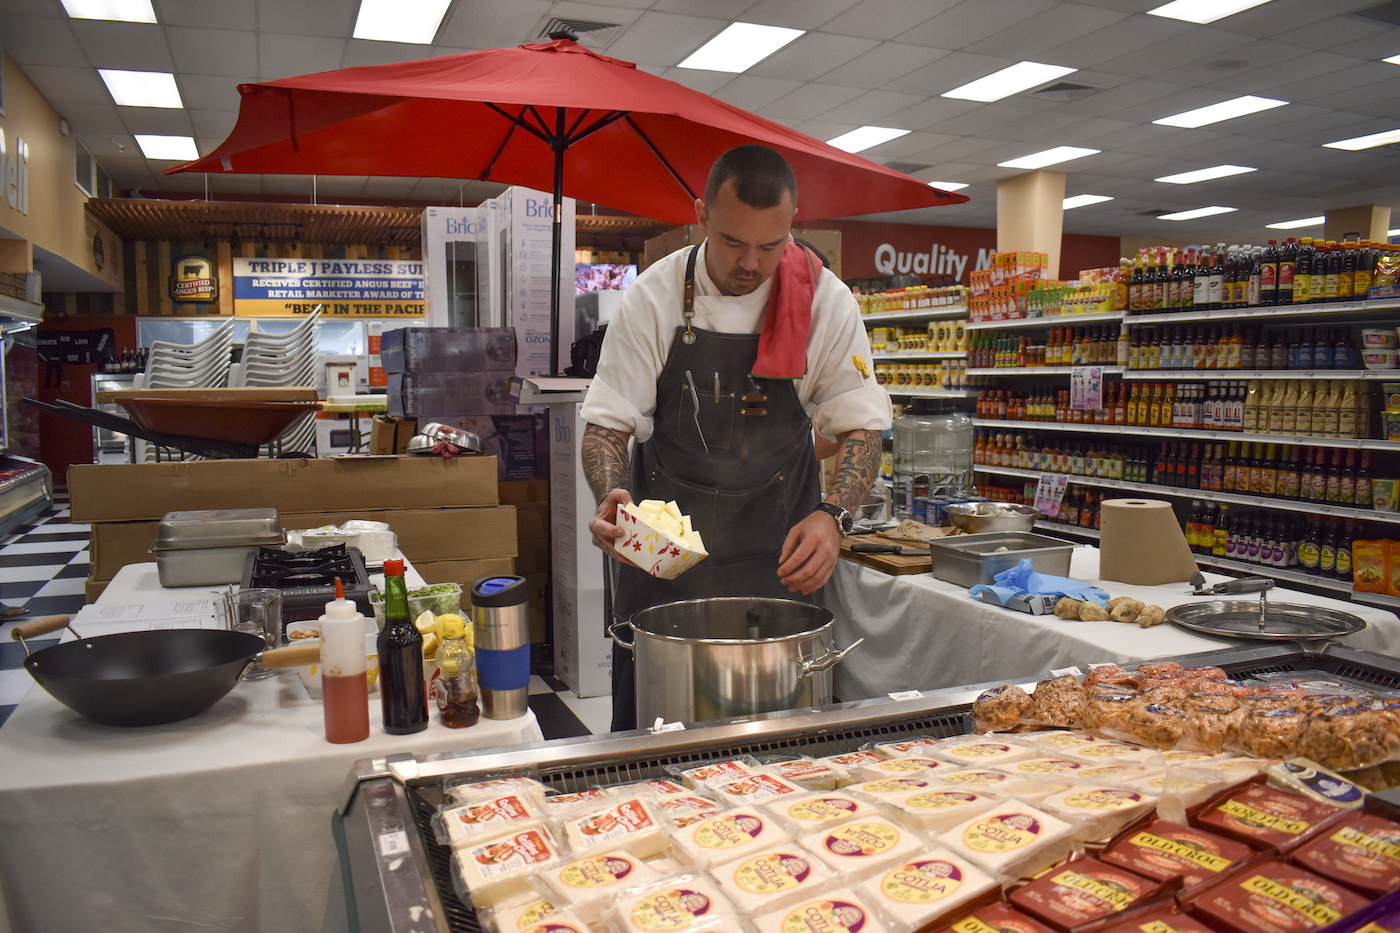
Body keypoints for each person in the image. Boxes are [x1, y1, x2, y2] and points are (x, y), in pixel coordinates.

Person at [580, 144, 891, 730]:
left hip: (780, 563)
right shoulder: (653, 296)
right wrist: (612, 493)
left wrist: (834, 515)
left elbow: (861, 428)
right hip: (662, 565)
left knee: (779, 754)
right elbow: (607, 424)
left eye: (771, 246)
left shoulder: (825, 301)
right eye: (732, 243)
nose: (752, 263)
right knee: (652, 749)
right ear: (701, 216)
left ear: (791, 229)